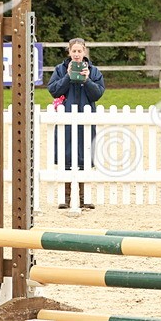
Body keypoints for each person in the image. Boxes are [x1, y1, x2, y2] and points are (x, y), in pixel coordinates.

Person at [47, 38, 105, 209]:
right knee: (66, 156)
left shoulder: (93, 71)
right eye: (74, 51)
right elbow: (54, 90)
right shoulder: (60, 69)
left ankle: (84, 198)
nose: (77, 54)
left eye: (80, 51)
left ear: (84, 51)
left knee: (85, 157)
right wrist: (68, 76)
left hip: (86, 120)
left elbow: (98, 94)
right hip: (65, 119)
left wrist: (87, 80)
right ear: (69, 52)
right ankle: (65, 198)